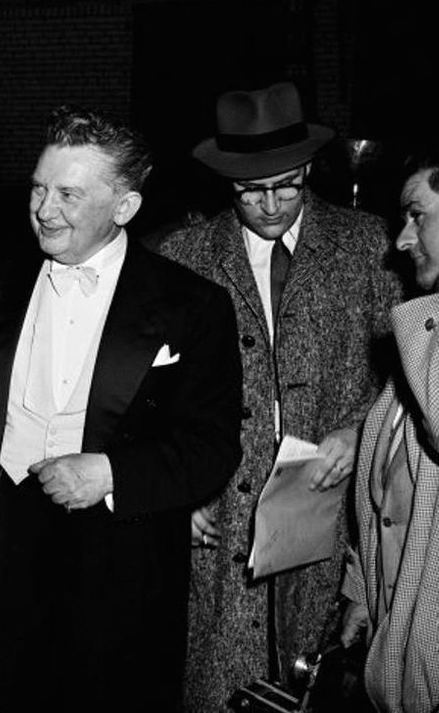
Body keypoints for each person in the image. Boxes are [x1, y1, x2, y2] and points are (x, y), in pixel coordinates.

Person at [0, 104, 243, 711]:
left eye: (68, 193)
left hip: (120, 560)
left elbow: (214, 443)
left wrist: (112, 473)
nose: (43, 209)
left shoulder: (192, 305)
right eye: (39, 188)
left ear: (124, 208)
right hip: (1, 544)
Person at [159, 81, 403, 710]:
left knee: (314, 679)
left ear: (308, 167)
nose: (269, 204)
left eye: (285, 185)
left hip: (329, 502)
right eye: (249, 190)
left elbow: (405, 377)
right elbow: (152, 397)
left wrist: (359, 432)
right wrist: (175, 487)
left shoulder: (367, 246)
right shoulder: (183, 256)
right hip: (218, 516)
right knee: (219, 685)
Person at [340, 135, 439, 712]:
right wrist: (365, 594)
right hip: (410, 663)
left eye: (419, 215)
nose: (402, 240)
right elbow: (395, 483)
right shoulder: (436, 332)